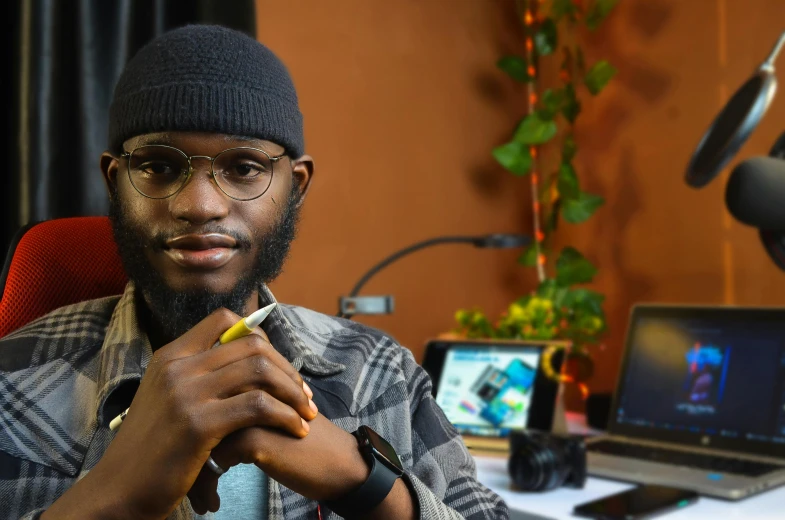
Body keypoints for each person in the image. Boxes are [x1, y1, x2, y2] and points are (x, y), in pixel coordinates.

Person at [0, 25, 509, 520]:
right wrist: (111, 499)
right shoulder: (11, 381)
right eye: (157, 166)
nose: (199, 206)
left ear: (295, 187)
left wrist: (359, 480)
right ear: (116, 184)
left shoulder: (379, 373)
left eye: (243, 167)